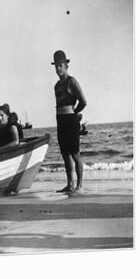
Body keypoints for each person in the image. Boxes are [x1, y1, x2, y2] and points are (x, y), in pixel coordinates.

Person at [51, 50, 87, 195]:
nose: (59, 69)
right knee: (65, 154)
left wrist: (75, 114)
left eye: (61, 65)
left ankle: (80, 185)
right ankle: (69, 185)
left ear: (66, 66)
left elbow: (83, 102)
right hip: (60, 121)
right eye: (56, 66)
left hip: (71, 120)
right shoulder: (56, 85)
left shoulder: (72, 81)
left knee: (75, 154)